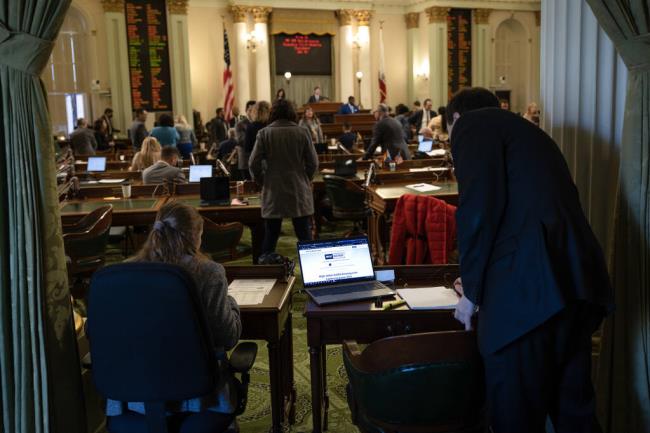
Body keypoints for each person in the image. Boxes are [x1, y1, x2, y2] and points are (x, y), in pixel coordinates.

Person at [447, 87, 613, 433]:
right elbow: (520, 214)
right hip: (573, 288)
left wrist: (473, 294)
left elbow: (478, 211)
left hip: (526, 301)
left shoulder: (472, 125)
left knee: (515, 419)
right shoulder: (527, 133)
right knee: (575, 418)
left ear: (456, 119)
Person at [107, 201, 241, 416]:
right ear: (195, 236)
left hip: (132, 396)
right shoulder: (209, 273)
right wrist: (231, 303)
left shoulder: (122, 272)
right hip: (196, 397)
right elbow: (227, 336)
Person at [249, 99, 318, 257]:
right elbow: (313, 163)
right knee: (304, 235)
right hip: (298, 189)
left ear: (273, 113)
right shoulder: (302, 132)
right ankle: (314, 274)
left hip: (274, 190)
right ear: (291, 113)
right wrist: (305, 179)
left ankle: (267, 273)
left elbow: (253, 164)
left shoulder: (264, 133)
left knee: (271, 235)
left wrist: (262, 181)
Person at [236, 100, 256, 180]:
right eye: (250, 110)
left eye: (254, 110)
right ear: (246, 111)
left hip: (256, 160)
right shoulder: (240, 124)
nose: (252, 112)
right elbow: (241, 140)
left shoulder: (257, 123)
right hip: (245, 160)